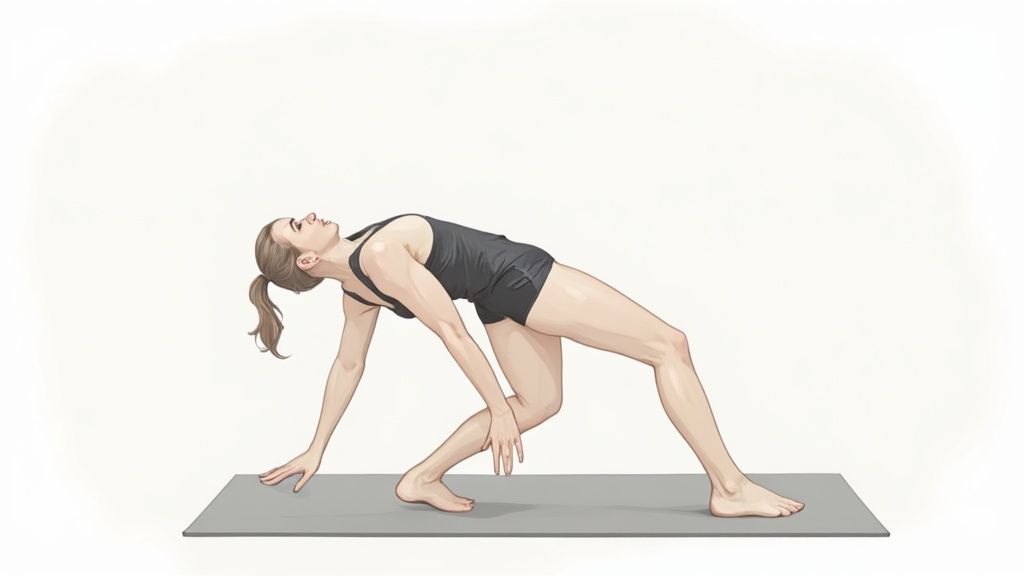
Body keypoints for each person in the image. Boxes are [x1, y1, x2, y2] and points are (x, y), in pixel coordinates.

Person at [250, 211, 804, 517]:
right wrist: (317, 445)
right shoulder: (371, 267)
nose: (310, 215)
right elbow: (417, 341)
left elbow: (373, 356)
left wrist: (503, 409)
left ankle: (420, 477)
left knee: (540, 402)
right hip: (519, 280)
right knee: (670, 345)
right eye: (298, 225)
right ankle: (729, 488)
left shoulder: (365, 269)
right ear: (306, 259)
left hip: (500, 296)